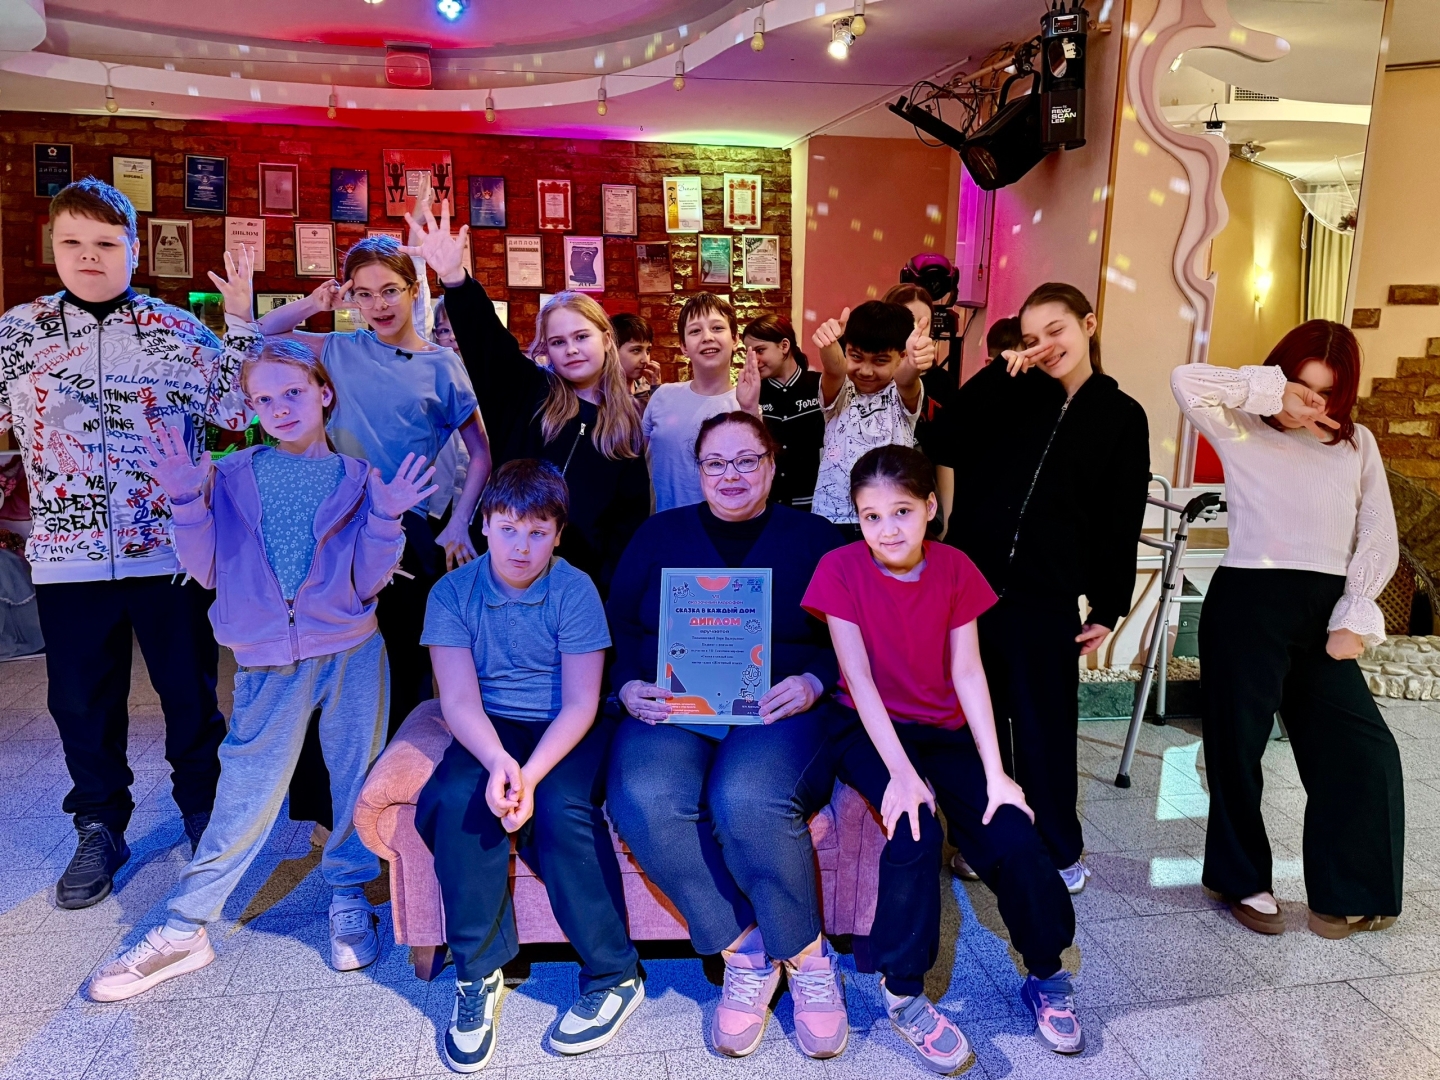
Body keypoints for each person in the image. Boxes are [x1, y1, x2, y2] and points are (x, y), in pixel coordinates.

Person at [86, 339, 436, 1001]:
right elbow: (207, 570)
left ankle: (347, 894)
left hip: (353, 653)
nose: (279, 407)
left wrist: (387, 518)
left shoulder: (359, 479)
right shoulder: (231, 475)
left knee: (354, 778)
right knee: (246, 789)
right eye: (263, 398)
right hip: (265, 662)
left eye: (293, 392)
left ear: (324, 393)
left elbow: (366, 583)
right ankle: (186, 927)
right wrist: (186, 502)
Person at [0, 177, 259, 909]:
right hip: (67, 556)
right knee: (80, 700)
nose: (89, 256)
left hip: (171, 553)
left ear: (134, 250)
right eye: (73, 243)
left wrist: (242, 322)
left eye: (105, 244)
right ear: (53, 246)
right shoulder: (18, 334)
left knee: (189, 691)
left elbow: (237, 407)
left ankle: (204, 811)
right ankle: (99, 824)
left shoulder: (174, 330)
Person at [802, 445, 1082, 1067]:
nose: (887, 529)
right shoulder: (839, 569)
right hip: (868, 729)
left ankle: (1046, 974)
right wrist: (902, 776)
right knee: (916, 830)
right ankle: (903, 993)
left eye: (902, 511)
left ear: (930, 507)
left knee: (1013, 833)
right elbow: (859, 680)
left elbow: (969, 672)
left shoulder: (955, 568)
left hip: (944, 728)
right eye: (871, 516)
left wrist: (997, 774)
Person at [605, 411, 849, 1060]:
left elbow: (854, 633)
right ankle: (745, 949)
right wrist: (627, 685)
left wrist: (815, 681)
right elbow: (618, 626)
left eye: (747, 460)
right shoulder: (659, 535)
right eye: (716, 462)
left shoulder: (816, 539)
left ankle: (808, 958)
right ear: (698, 470)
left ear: (772, 465)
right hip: (676, 704)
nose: (731, 475)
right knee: (642, 794)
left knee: (745, 796)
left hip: (778, 708)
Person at [1172, 320, 1404, 939]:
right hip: (1248, 600)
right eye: (1302, 385)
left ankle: (1349, 888)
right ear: (1279, 375)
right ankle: (1241, 878)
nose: (1312, 402)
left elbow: (1378, 531)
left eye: (1326, 393)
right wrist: (1273, 396)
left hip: (1326, 609)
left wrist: (1355, 611)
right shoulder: (1239, 424)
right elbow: (1185, 379)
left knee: (1363, 747)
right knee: (1237, 748)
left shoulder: (1357, 444)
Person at [414, 460, 643, 1073]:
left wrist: (530, 776)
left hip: (565, 725)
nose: (522, 546)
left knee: (562, 809)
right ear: (484, 525)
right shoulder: (451, 593)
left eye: (538, 531)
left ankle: (615, 974)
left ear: (558, 535)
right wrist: (497, 762)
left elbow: (581, 703)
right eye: (508, 528)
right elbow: (458, 700)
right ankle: (478, 972)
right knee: (457, 799)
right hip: (490, 724)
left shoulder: (574, 590)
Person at [948, 282, 1150, 892]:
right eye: (1032, 338)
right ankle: (986, 840)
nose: (1045, 347)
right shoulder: (1014, 396)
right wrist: (997, 374)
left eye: (1056, 331)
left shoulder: (1121, 416)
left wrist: (1110, 604)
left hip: (1046, 596)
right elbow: (947, 437)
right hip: (975, 589)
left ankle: (1059, 848)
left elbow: (1121, 518)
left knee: (1045, 731)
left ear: (1088, 325)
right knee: (980, 722)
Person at [254, 220, 491, 736]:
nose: (378, 305)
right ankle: (334, 771)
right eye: (363, 294)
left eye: (389, 290)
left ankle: (401, 768)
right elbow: (259, 335)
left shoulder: (442, 365)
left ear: (413, 289)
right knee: (333, 653)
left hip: (408, 528)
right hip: (336, 522)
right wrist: (314, 303)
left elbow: (480, 453)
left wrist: (459, 523)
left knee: (406, 655)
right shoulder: (338, 349)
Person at [417, 205, 649, 600]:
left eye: (582, 337)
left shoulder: (625, 426)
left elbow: (627, 523)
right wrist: (455, 280)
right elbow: (488, 342)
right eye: (558, 342)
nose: (571, 349)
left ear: (607, 339)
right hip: (500, 575)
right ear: (547, 349)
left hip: (576, 589)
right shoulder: (526, 392)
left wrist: (608, 593)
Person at [810, 300, 932, 535]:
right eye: (856, 357)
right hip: (833, 517)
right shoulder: (841, 390)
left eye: (880, 361)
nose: (866, 371)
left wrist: (914, 362)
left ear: (901, 356)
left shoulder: (900, 394)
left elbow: (907, 379)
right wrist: (828, 343)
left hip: (888, 518)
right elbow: (834, 369)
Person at [643, 293, 762, 512]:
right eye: (695, 331)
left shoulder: (746, 405)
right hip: (665, 524)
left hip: (726, 526)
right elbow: (639, 461)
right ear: (683, 346)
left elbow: (760, 476)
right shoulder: (662, 397)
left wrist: (750, 409)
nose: (707, 337)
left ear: (735, 339)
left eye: (717, 328)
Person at [883, 284, 954, 537]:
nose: (917, 332)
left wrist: (946, 522)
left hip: (924, 505)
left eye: (925, 324)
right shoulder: (873, 378)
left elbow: (945, 456)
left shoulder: (942, 382)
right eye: (909, 323)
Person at [746, 314, 823, 511]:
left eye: (760, 350)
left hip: (817, 503)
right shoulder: (753, 393)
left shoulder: (820, 385)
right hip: (771, 505)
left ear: (784, 346)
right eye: (749, 353)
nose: (754, 360)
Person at [612, 312, 661, 413]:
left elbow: (660, 421)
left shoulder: (645, 387)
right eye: (636, 350)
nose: (645, 360)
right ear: (613, 350)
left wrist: (657, 390)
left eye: (648, 350)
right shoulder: (600, 394)